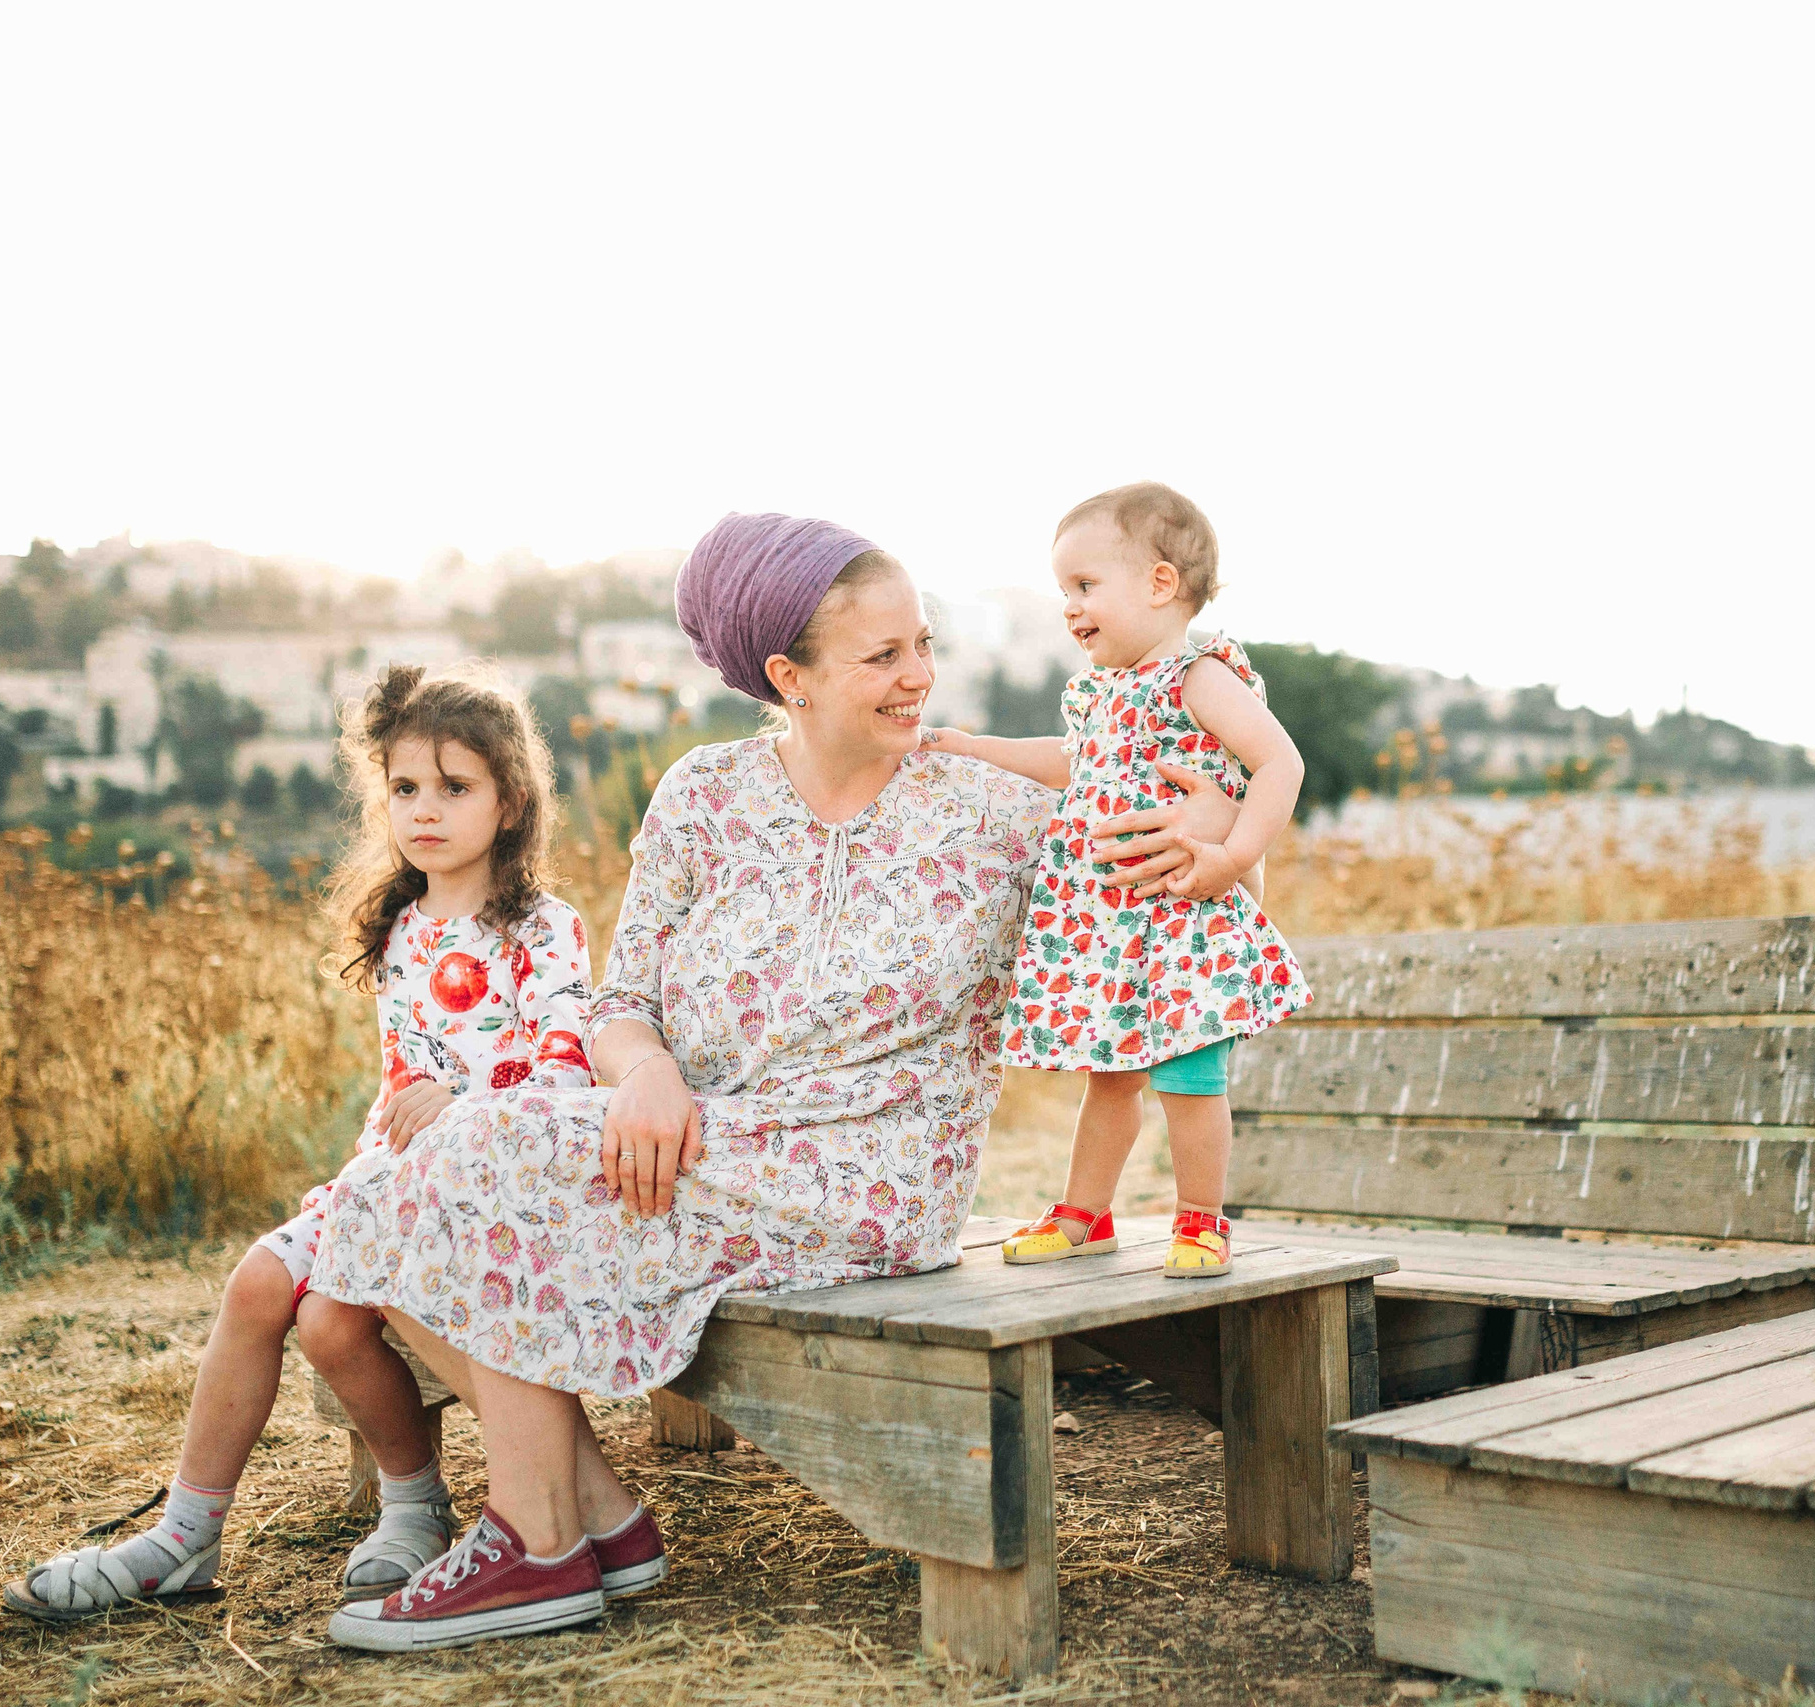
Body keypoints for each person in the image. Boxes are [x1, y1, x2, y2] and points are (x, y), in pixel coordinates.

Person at [305, 514, 1245, 1652]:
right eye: (881, 657)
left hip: (871, 1172)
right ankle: (584, 1518)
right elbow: (620, 1003)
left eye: (922, 645)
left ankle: (541, 1544)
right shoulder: (703, 794)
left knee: (476, 1154)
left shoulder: (994, 808)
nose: (919, 678)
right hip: (695, 1141)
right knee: (395, 1183)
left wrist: (1217, 816)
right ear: (788, 677)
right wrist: (644, 1074)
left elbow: (1184, 814)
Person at [4, 664, 599, 1620]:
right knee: (263, 1283)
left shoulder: (541, 929)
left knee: (326, 1320)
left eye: (456, 787)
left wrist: (461, 1101)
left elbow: (567, 1073)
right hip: (391, 1179)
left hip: (488, 1186)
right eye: (405, 788)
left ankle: (414, 1505)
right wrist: (364, 1178)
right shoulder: (404, 930)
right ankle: (184, 1536)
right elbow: (398, 1088)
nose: (425, 810)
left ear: (512, 800)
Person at [923, 482, 1311, 1279]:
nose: (1070, 607)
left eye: (1085, 586)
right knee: (1111, 1076)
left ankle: (1202, 1219)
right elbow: (1071, 764)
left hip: (1178, 913)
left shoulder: (1196, 678)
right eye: (1064, 590)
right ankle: (1083, 1212)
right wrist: (971, 745)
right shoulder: (1100, 692)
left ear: (1160, 584)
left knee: (1190, 1077)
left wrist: (1234, 856)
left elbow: (1280, 762)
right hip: (1110, 927)